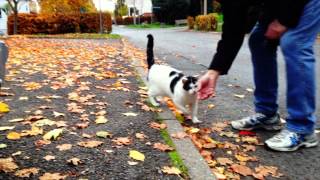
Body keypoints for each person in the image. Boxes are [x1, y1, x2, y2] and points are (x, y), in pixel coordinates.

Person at [198, 0, 320, 151]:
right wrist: (213, 71)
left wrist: (284, 20)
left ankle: (303, 128)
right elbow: (233, 29)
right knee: (258, 40)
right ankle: (267, 114)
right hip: (276, 5)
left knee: (294, 42)